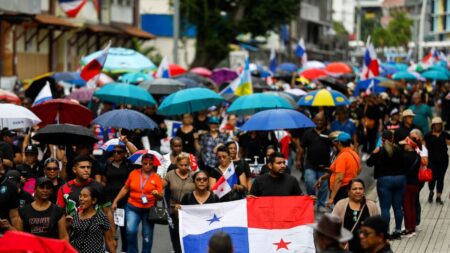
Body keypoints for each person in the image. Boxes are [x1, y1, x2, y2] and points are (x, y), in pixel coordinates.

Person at [56, 155, 115, 245]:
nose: (86, 170)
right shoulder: (64, 189)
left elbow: (108, 212)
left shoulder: (99, 187)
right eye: (82, 167)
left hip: (96, 238)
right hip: (72, 238)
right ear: (74, 169)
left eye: (88, 167)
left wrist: (113, 236)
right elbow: (59, 215)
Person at [112, 153, 163, 253]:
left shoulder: (156, 177)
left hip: (149, 209)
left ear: (153, 165)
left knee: (147, 235)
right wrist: (115, 201)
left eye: (150, 164)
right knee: (130, 231)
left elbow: (161, 197)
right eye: (145, 163)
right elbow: (125, 188)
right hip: (132, 207)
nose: (147, 165)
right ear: (141, 163)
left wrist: (157, 194)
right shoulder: (133, 173)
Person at [366, 130, 405, 239]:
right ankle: (398, 231)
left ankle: (386, 232)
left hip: (384, 180)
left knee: (385, 208)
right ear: (393, 139)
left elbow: (369, 163)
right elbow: (405, 162)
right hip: (400, 179)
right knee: (398, 207)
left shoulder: (380, 151)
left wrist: (374, 152)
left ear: (382, 140)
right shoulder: (398, 149)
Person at [101, 139, 136, 253]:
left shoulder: (128, 164)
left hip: (126, 201)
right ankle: (111, 251)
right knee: (110, 230)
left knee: (127, 230)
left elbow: (136, 153)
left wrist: (126, 142)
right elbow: (103, 182)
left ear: (125, 153)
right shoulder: (107, 165)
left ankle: (125, 250)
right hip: (109, 201)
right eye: (114, 152)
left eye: (119, 152)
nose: (116, 154)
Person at [332, 179, 380, 252]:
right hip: (347, 248)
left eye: (360, 189)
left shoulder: (371, 206)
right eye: (354, 189)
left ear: (364, 191)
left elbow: (378, 227)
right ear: (349, 191)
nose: (358, 191)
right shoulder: (340, 205)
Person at [297, 112, 332, 211]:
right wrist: (298, 160)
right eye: (317, 120)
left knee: (324, 186)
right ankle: (312, 200)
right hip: (310, 164)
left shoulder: (329, 133)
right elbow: (301, 148)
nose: (319, 122)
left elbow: (335, 147)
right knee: (309, 182)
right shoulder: (308, 133)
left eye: (321, 120)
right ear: (313, 120)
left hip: (325, 165)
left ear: (325, 121)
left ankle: (321, 204)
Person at [163, 153, 195, 253]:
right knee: (175, 235)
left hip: (189, 211)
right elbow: (160, 186)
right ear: (177, 164)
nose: (184, 167)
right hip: (174, 210)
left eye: (186, 165)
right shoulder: (170, 174)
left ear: (189, 164)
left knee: (189, 234)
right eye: (181, 165)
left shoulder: (194, 175)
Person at [318, 132, 360, 207]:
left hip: (342, 191)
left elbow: (339, 178)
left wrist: (332, 198)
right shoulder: (354, 154)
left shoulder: (343, 156)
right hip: (349, 187)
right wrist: (323, 177)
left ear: (339, 143)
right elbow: (359, 170)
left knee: (340, 215)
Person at [70, 186, 116, 253]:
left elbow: (109, 241)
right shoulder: (75, 216)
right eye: (80, 196)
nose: (81, 199)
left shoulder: (101, 217)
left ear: (93, 200)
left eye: (85, 196)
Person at [425, 117, 450, 204]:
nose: (438, 126)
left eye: (439, 124)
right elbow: (424, 147)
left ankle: (438, 197)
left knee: (440, 178)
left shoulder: (445, 134)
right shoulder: (428, 135)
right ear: (433, 125)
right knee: (432, 178)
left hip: (443, 160)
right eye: (436, 124)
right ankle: (431, 191)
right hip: (432, 160)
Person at [399, 136, 421, 237]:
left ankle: (408, 229)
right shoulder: (418, 156)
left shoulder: (404, 156)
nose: (403, 146)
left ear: (409, 145)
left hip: (407, 184)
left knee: (406, 206)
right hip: (416, 184)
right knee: (412, 206)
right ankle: (412, 227)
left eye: (405, 144)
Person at [0, 155, 21, 233]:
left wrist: (11, 228)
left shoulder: (10, 186)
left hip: (3, 233)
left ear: (2, 164)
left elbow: (14, 216)